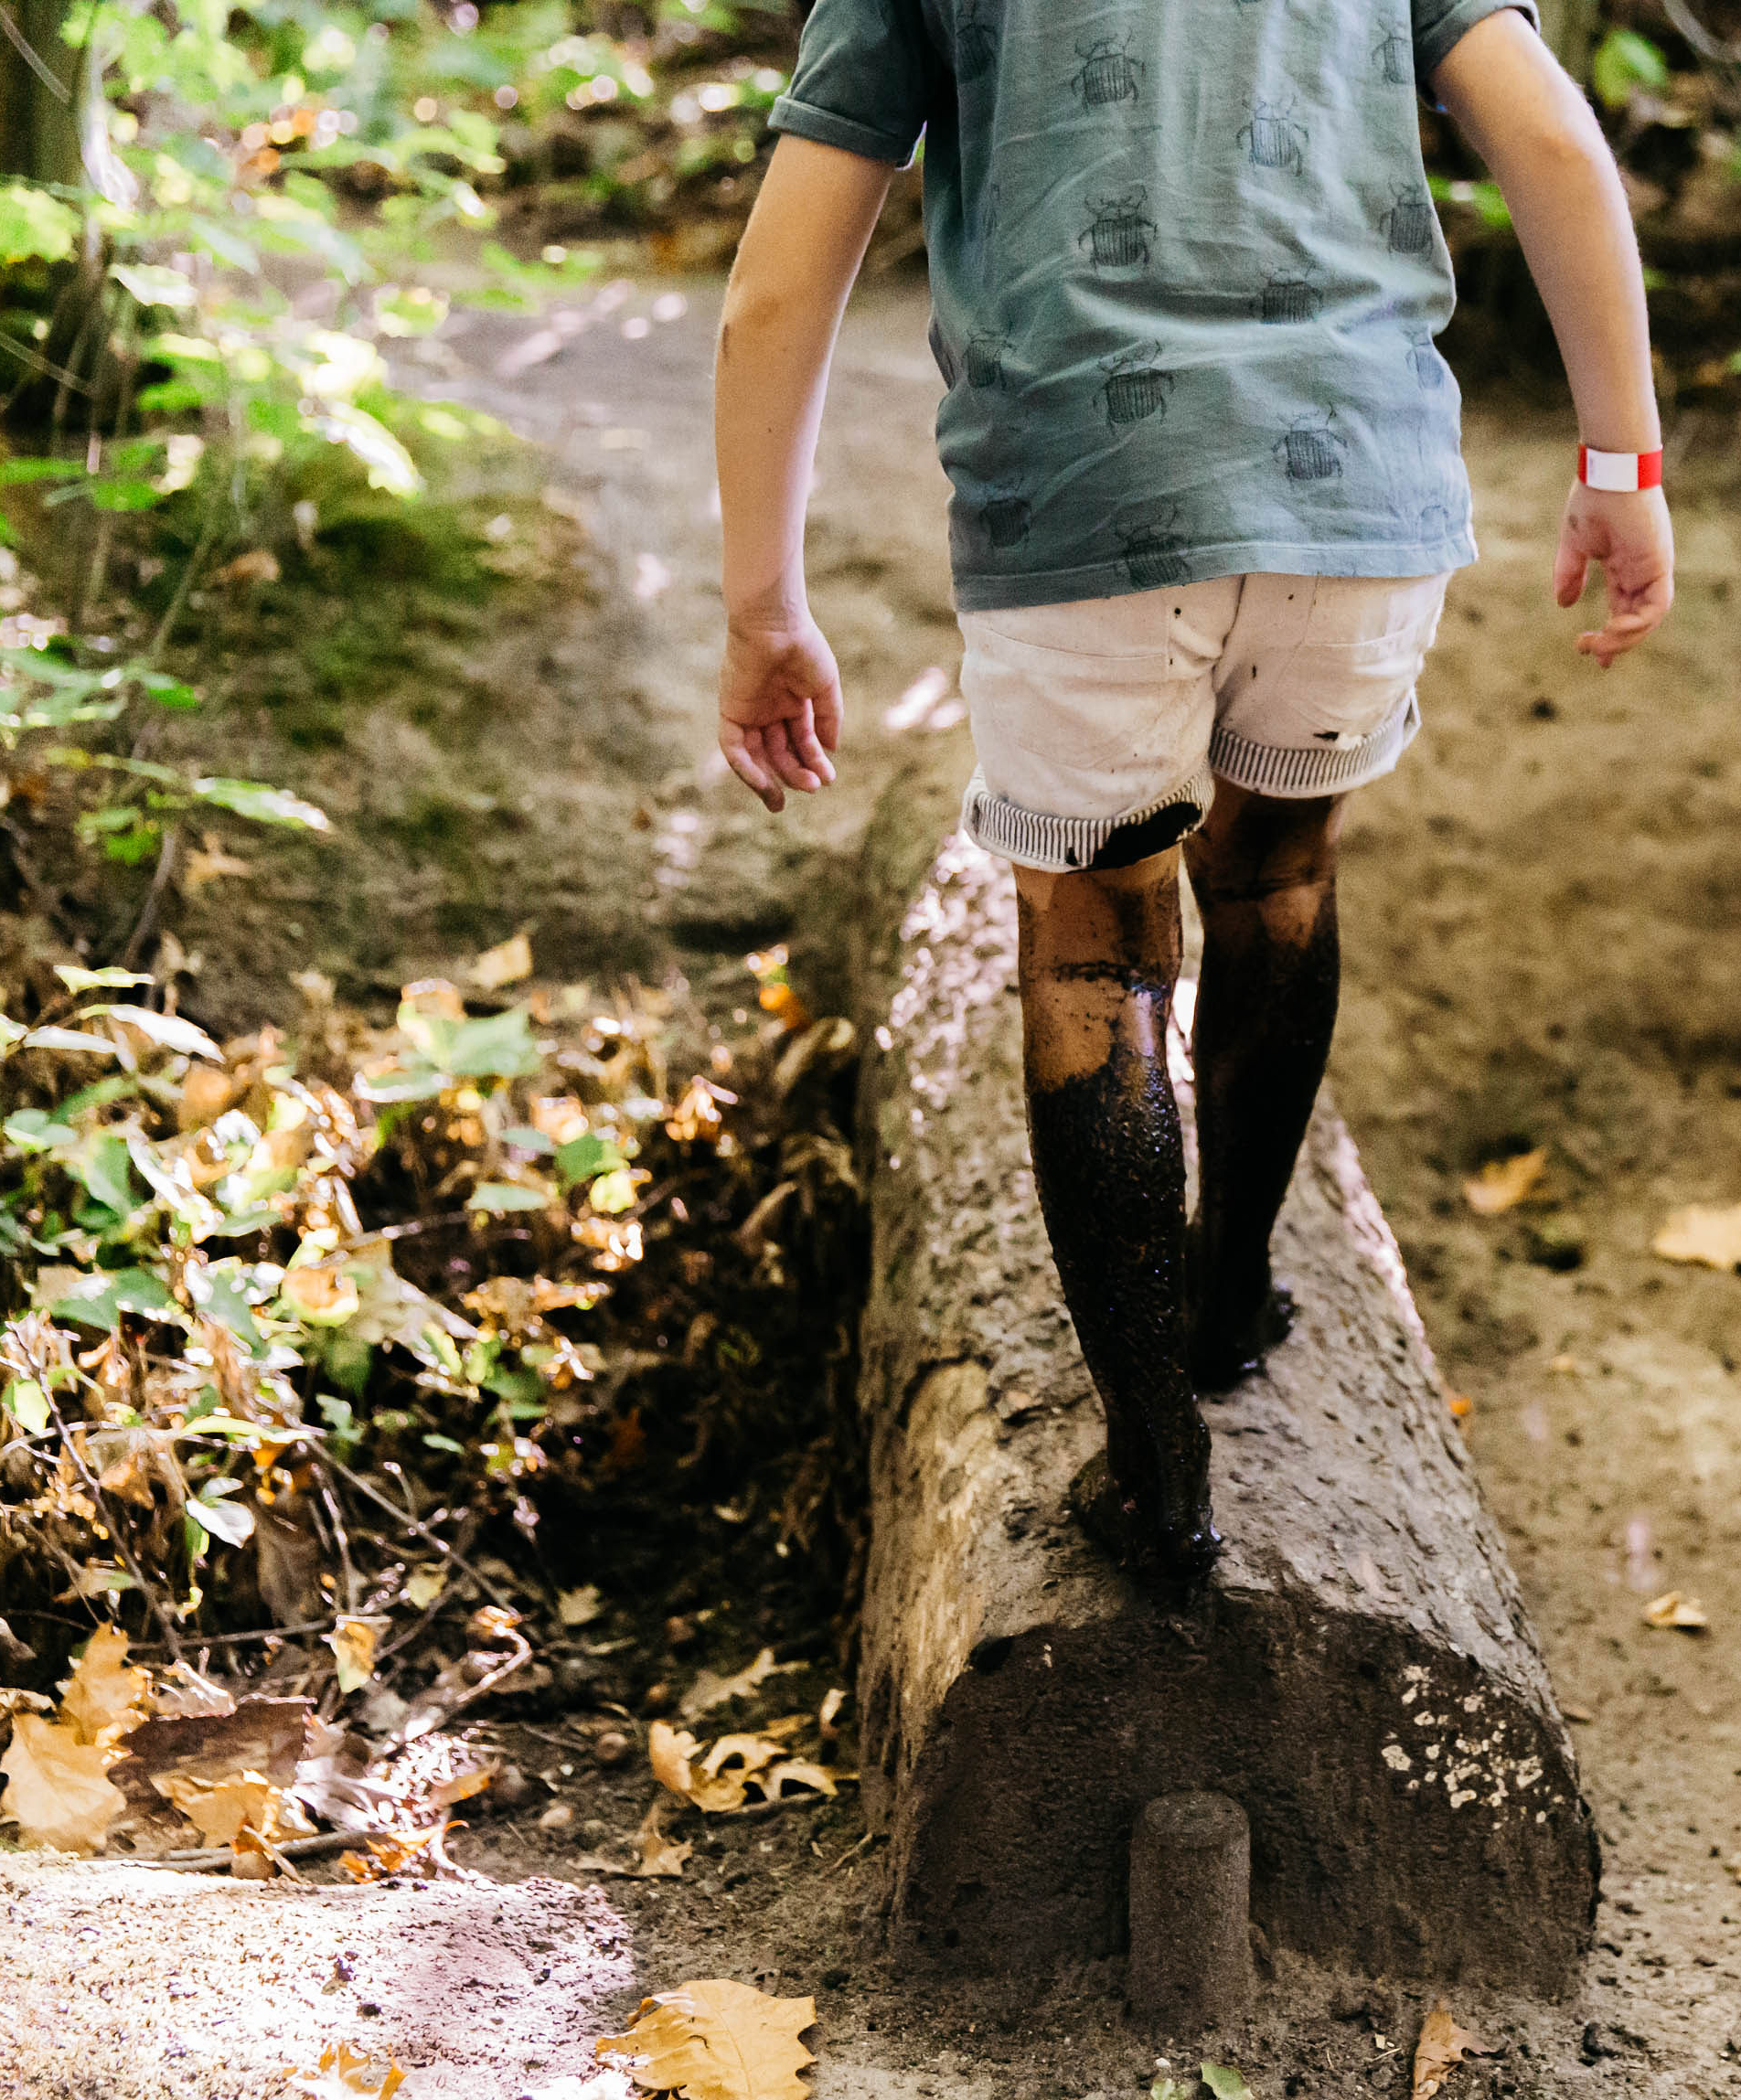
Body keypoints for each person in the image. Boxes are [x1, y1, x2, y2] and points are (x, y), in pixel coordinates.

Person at [711, 2, 1672, 1584]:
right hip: (1356, 489)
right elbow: (1559, 146)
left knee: (1094, 951)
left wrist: (763, 606)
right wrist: (1622, 463)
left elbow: (776, 290)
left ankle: (1157, 1465)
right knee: (1280, 873)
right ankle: (1233, 1299)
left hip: (1080, 499)